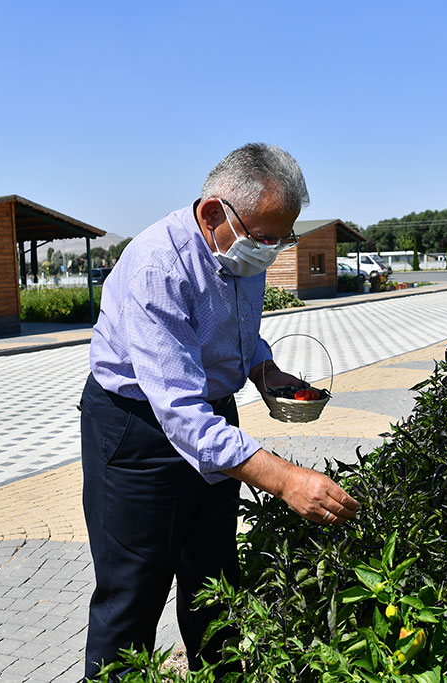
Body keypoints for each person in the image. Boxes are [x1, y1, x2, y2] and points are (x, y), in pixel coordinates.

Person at [80, 143, 360, 679]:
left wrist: (264, 369)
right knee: (131, 595)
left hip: (209, 414)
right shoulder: (158, 266)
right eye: (266, 238)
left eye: (283, 238)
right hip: (136, 427)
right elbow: (181, 413)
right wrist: (285, 480)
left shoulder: (239, 248)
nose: (273, 251)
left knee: (213, 578)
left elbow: (236, 332)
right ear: (213, 213)